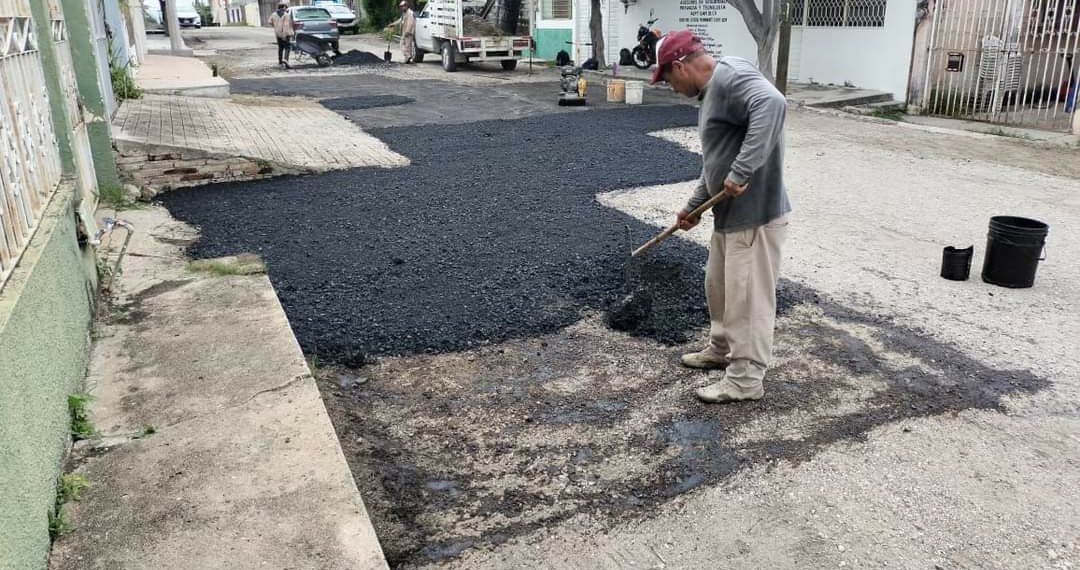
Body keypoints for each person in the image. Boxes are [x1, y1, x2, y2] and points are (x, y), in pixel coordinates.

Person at [651, 30, 791, 404]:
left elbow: (773, 103)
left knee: (747, 301)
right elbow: (716, 160)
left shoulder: (729, 77)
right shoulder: (716, 89)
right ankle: (722, 349)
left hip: (754, 216)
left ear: (680, 66)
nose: (670, 86)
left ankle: (745, 381)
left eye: (668, 78)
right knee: (720, 289)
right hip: (727, 216)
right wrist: (694, 205)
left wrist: (743, 171)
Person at [269, 2, 293, 69]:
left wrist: (276, 26)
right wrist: (284, 35)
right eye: (286, 7)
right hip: (285, 34)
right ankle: (285, 60)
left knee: (280, 48)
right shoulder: (286, 15)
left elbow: (269, 22)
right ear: (284, 7)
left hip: (277, 33)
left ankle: (280, 62)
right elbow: (286, 26)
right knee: (287, 47)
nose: (286, 8)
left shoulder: (273, 14)